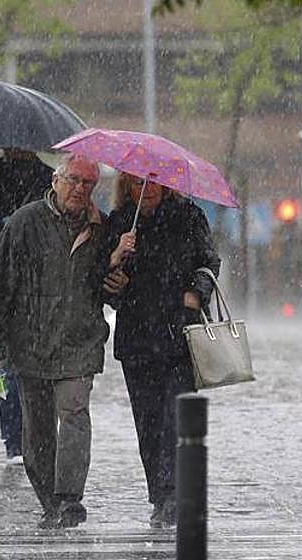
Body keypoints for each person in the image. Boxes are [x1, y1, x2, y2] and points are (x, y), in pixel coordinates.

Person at [0, 154, 115, 529]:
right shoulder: (24, 223)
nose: (79, 189)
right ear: (55, 180)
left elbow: (108, 288)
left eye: (88, 183)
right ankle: (50, 501)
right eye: (73, 180)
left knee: (74, 412)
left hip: (79, 341)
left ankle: (69, 498)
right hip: (30, 342)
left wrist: (117, 274)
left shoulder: (103, 228)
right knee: (37, 427)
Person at [100, 173, 219, 528]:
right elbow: (102, 280)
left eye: (153, 182)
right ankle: (160, 494)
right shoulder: (121, 222)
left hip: (179, 335)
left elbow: (209, 262)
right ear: (127, 186)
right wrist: (116, 265)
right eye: (139, 183)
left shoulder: (188, 216)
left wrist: (196, 293)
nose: (147, 189)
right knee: (148, 424)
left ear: (166, 185)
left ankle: (174, 495)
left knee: (174, 419)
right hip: (137, 340)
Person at [0, 149, 56, 465]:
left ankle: (28, 436)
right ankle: (11, 437)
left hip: (31, 289)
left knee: (26, 370)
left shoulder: (45, 180)